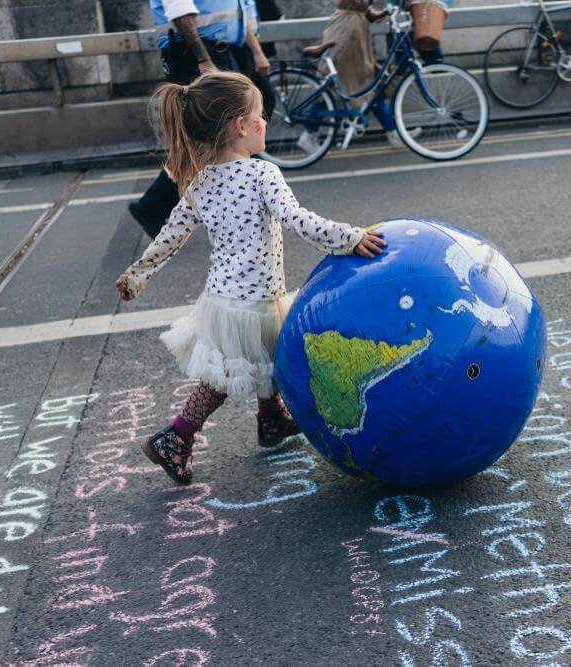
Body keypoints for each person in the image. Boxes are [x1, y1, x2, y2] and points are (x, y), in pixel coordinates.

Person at [115, 72, 387, 484]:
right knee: (226, 378)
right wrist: (350, 238)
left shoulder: (200, 180)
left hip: (224, 300)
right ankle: (176, 436)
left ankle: (271, 420)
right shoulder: (262, 175)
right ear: (240, 126)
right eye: (260, 115)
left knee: (267, 359)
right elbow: (299, 221)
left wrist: (138, 273)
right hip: (253, 302)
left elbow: (170, 235)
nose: (265, 121)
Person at [129, 0, 268, 239]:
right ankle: (153, 207)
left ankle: (158, 207)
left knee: (222, 137)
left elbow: (239, 12)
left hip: (221, 53)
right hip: (198, 56)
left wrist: (255, 52)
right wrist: (204, 60)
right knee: (209, 139)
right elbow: (181, 13)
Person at [300, 0, 403, 150]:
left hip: (355, 31)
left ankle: (393, 132)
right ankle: (308, 134)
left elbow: (359, 6)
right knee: (334, 88)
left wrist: (372, 13)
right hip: (346, 33)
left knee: (371, 84)